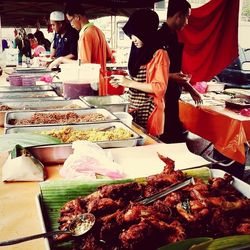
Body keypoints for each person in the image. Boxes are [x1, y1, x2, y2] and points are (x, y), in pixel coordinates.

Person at [110, 9, 170, 137]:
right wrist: (122, 81)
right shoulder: (138, 50)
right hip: (133, 108)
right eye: (130, 35)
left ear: (145, 31)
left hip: (148, 111)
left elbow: (160, 88)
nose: (132, 39)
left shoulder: (160, 54)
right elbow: (137, 80)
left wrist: (129, 82)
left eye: (135, 34)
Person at [157, 0, 202, 143]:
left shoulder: (173, 35)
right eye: (186, 17)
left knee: (176, 136)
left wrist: (191, 89)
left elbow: (175, 71)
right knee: (168, 139)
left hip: (172, 98)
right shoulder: (158, 37)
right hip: (161, 100)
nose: (187, 22)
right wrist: (171, 76)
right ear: (178, 15)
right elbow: (147, 72)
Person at [49, 3, 113, 95]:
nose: (71, 25)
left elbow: (84, 64)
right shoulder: (98, 31)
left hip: (91, 84)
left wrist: (61, 59)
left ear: (77, 17)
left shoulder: (85, 34)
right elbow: (109, 56)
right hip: (102, 83)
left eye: (71, 20)